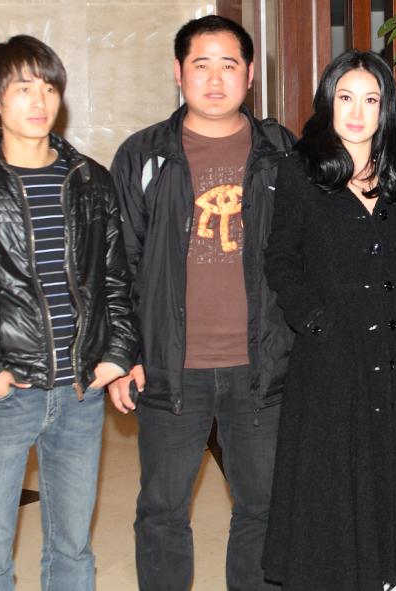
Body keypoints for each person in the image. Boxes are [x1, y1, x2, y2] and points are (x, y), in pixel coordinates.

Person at [0, 34, 138, 591]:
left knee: (73, 546)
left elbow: (116, 280)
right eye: (22, 88)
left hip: (80, 394)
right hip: (7, 393)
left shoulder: (91, 180)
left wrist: (116, 355)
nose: (39, 101)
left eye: (49, 88)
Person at [108, 15, 296, 591]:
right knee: (162, 509)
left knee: (264, 507)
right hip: (170, 367)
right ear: (178, 72)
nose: (215, 80)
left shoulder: (284, 152)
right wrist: (123, 355)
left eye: (229, 65)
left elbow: (308, 258)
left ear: (251, 74)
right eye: (201, 65)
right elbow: (118, 266)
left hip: (262, 366)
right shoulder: (144, 155)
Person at [261, 49, 396, 591]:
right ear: (328, 102)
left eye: (370, 99)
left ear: (386, 108)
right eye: (345, 97)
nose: (357, 112)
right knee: (338, 473)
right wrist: (314, 321)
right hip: (334, 351)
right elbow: (281, 259)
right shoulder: (299, 171)